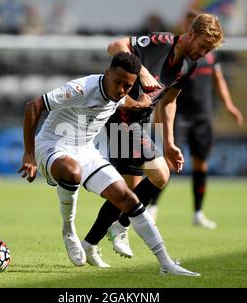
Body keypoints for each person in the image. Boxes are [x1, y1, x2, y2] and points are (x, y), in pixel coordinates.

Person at [18, 52, 200, 276]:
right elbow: (33, 106)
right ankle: (68, 230)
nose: (122, 89)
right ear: (107, 74)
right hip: (52, 146)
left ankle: (166, 264)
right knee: (72, 171)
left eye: (128, 85)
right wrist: (29, 154)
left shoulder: (119, 94)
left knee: (128, 198)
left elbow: (126, 101)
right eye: (119, 82)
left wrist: (140, 103)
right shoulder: (82, 88)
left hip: (85, 151)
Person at [81, 13, 224, 263]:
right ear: (190, 35)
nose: (203, 52)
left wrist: (169, 143)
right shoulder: (161, 42)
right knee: (160, 175)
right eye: (202, 46)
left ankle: (90, 243)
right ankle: (121, 227)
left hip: (140, 122)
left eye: (208, 49)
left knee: (128, 192)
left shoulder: (189, 65)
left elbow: (168, 102)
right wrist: (143, 72)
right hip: (121, 117)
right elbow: (114, 46)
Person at [150, 9, 244, 230]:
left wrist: (229, 105)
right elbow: (164, 92)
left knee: (201, 162)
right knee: (169, 161)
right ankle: (153, 206)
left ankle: (198, 213)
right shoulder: (176, 54)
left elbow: (219, 80)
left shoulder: (210, 55)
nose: (203, 50)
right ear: (188, 29)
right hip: (179, 114)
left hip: (203, 114)